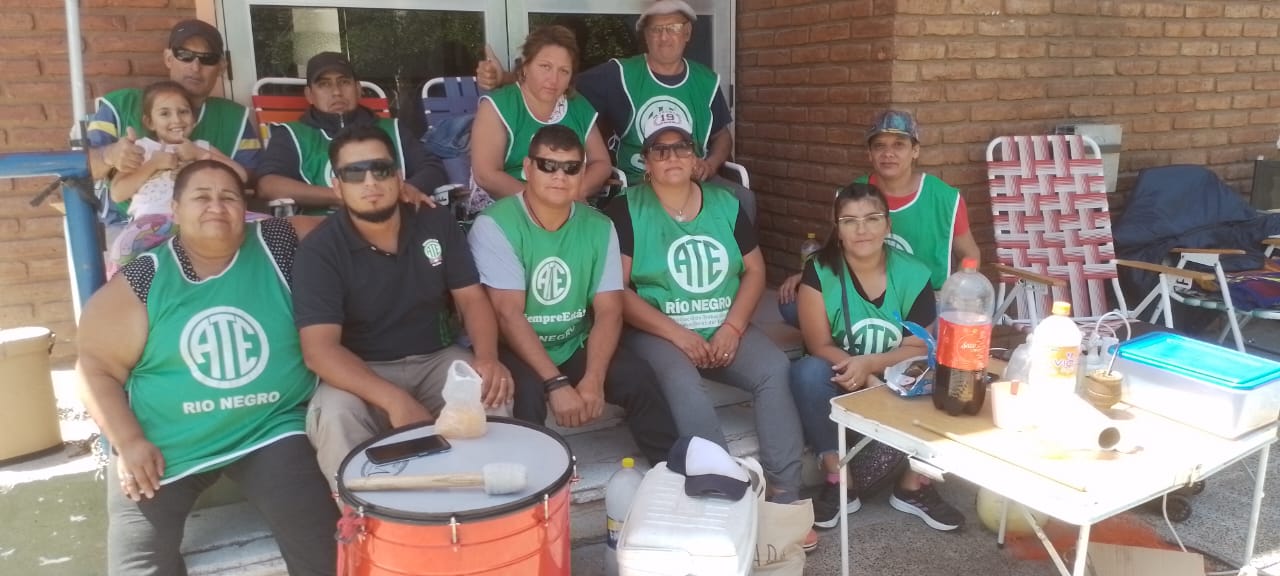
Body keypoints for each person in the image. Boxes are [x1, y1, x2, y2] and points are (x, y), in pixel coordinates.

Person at [76, 160, 336, 576]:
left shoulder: (276, 242)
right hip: (166, 443)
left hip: (268, 428)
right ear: (175, 210)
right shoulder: (144, 278)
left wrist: (401, 200)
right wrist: (128, 441)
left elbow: (357, 228)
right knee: (137, 567)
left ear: (245, 209)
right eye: (201, 197)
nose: (216, 206)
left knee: (325, 551)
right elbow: (94, 367)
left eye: (228, 196)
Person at [605, 116, 815, 548]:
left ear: (696, 157)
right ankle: (726, 494)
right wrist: (679, 336)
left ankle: (784, 495)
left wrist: (733, 327)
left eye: (681, 147)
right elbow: (618, 290)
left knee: (774, 368)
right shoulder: (626, 209)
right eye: (660, 150)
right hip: (658, 329)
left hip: (722, 323)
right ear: (646, 162)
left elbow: (755, 271)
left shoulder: (726, 203)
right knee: (681, 381)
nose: (672, 157)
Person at [293, 125, 514, 488]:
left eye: (380, 169)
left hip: (434, 357)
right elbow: (319, 351)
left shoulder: (434, 221)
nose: (369, 181)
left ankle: (480, 502)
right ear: (337, 186)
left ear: (398, 177)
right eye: (354, 173)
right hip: (362, 369)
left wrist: (488, 356)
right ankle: (363, 513)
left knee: (490, 387)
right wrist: (395, 400)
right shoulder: (321, 250)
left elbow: (472, 298)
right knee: (334, 415)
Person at [469, 124, 678, 464]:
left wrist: (594, 380)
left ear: (582, 173)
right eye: (547, 165)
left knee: (637, 378)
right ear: (527, 168)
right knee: (525, 394)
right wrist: (557, 383)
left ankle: (671, 471)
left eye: (570, 167)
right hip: (514, 345)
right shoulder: (496, 224)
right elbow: (508, 314)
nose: (559, 176)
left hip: (572, 341)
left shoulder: (599, 226)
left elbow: (609, 310)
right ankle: (537, 486)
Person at [477, 0, 757, 222]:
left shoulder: (705, 80)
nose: (664, 37)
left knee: (743, 199)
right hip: (640, 178)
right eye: (656, 29)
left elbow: (722, 136)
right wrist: (505, 78)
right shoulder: (618, 74)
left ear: (687, 33)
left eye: (673, 27)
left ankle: (731, 267)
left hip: (694, 175)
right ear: (645, 36)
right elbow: (551, 83)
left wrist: (710, 164)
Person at [789, 182, 965, 532]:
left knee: (952, 371)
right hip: (840, 373)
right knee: (806, 372)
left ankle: (915, 485)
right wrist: (859, 372)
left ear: (887, 225)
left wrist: (871, 365)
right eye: (850, 221)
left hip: (896, 375)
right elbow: (818, 343)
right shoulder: (820, 271)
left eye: (872, 218)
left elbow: (917, 346)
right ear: (837, 228)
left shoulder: (913, 273)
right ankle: (839, 480)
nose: (862, 229)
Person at [778, 109, 982, 323]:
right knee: (792, 304)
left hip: (924, 298)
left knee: (956, 317)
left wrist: (955, 297)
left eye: (899, 145)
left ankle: (875, 335)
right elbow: (835, 251)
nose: (888, 153)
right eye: (879, 146)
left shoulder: (945, 198)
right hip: (862, 295)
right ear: (869, 153)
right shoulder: (852, 194)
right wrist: (811, 278)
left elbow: (970, 253)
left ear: (915, 150)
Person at [258, 52, 449, 214]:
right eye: (324, 84)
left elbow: (432, 168)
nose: (336, 92)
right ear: (309, 95)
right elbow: (268, 184)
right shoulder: (291, 134)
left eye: (344, 82)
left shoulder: (393, 129)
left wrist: (410, 187)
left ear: (358, 90)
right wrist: (343, 195)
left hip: (396, 223)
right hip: (323, 229)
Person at [89, 20, 259, 187]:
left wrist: (200, 161)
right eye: (185, 55)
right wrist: (109, 155)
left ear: (221, 67)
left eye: (208, 59)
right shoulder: (122, 104)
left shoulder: (235, 118)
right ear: (168, 58)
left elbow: (251, 180)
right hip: (127, 206)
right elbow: (83, 168)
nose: (195, 67)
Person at [106, 81, 249, 276]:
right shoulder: (142, 148)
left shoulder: (201, 147)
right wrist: (153, 164)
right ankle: (125, 292)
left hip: (203, 215)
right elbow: (117, 193)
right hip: (153, 220)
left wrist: (199, 154)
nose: (176, 119)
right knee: (124, 251)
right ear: (149, 122)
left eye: (183, 112)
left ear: (194, 118)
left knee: (265, 226)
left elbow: (241, 176)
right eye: (165, 113)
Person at [469, 26, 612, 215]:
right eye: (545, 67)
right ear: (525, 66)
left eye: (564, 71)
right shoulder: (499, 106)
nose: (553, 79)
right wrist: (542, 202)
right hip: (509, 206)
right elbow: (486, 175)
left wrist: (576, 192)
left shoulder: (577, 106)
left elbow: (601, 162)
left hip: (569, 204)